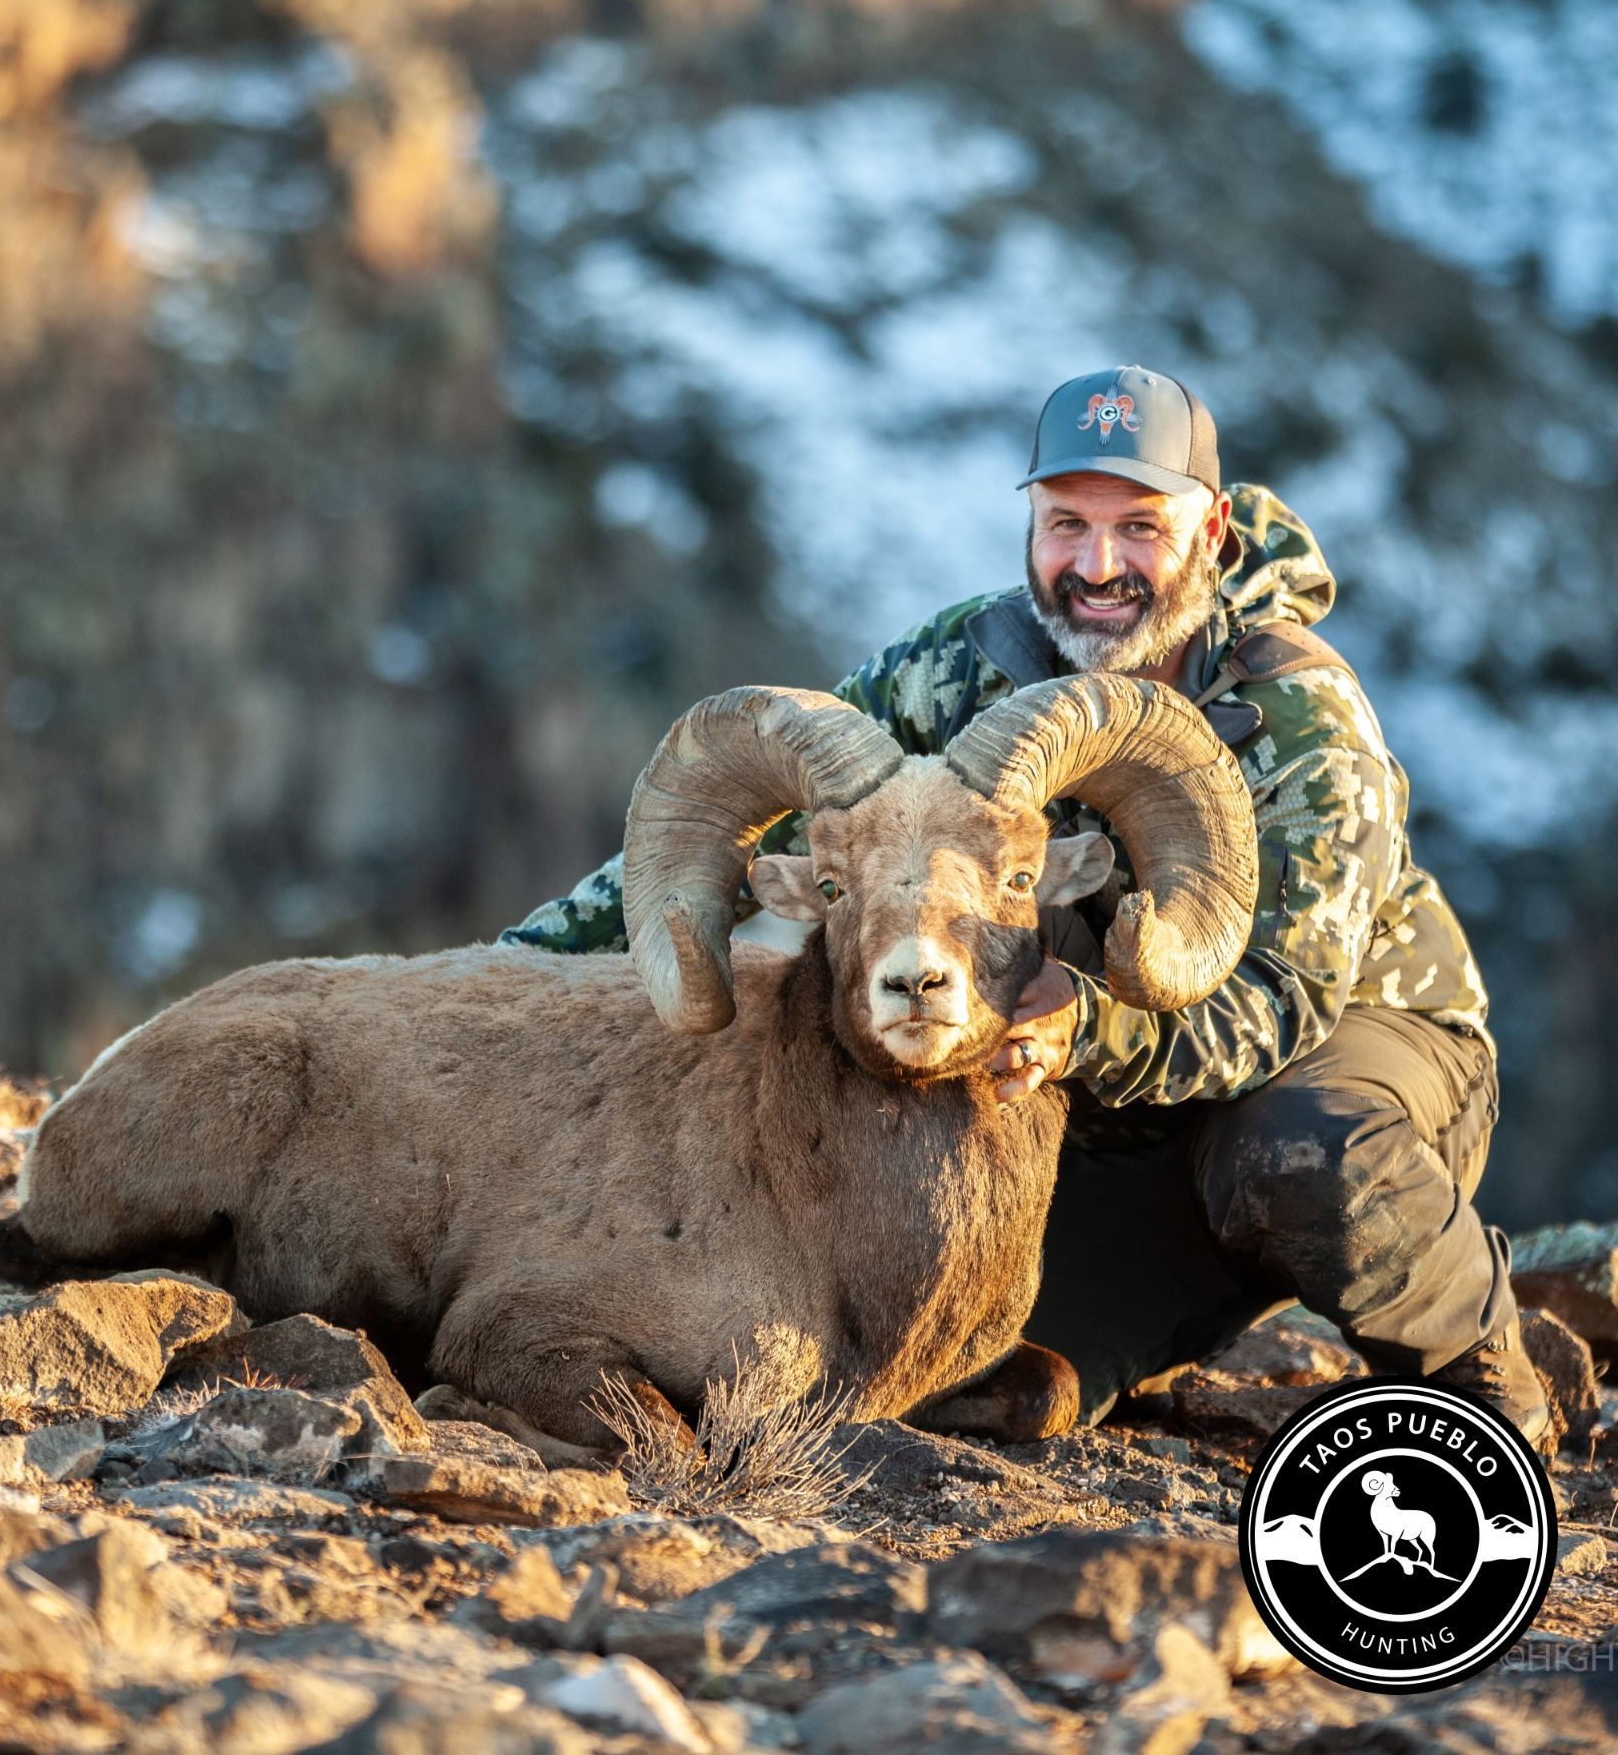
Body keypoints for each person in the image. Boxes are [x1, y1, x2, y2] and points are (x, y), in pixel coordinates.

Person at [500, 364, 1550, 1450]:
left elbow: (1278, 1001)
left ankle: (1483, 1378)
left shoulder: (1297, 715)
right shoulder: (958, 671)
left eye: (1139, 527)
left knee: (1288, 1156)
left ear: (1211, 530)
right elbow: (747, 826)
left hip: (1348, 1054)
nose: (1097, 567)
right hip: (1100, 1105)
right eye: (1067, 525)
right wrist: (510, 977)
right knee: (961, 1365)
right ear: (1033, 525)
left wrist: (1088, 1026)